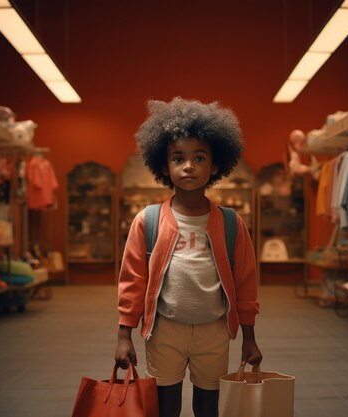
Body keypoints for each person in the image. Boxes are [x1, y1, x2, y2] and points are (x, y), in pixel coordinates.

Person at [115, 97, 262, 417]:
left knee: (208, 406)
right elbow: (132, 282)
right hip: (164, 329)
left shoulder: (230, 223)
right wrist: (123, 335)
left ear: (216, 165)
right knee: (165, 406)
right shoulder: (147, 220)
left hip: (214, 330)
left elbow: (246, 283)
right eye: (178, 158)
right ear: (164, 166)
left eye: (199, 157)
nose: (189, 166)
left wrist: (249, 338)